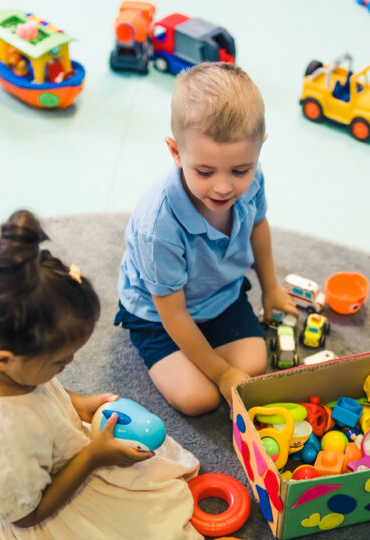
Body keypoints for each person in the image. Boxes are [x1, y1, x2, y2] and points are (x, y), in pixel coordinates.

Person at [0, 210, 202, 540]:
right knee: (154, 531)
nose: (67, 366)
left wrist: (77, 402)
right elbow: (26, 514)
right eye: (58, 362)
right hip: (46, 509)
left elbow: (40, 392)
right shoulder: (3, 436)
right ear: (4, 359)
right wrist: (93, 458)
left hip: (62, 453)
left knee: (159, 479)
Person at [115, 62, 296, 416]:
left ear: (260, 147)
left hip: (218, 294)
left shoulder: (255, 178)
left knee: (255, 366)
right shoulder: (159, 228)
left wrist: (271, 288)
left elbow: (258, 226)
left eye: (240, 170)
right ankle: (179, 355)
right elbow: (174, 315)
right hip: (160, 314)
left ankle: (208, 356)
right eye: (204, 171)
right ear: (176, 152)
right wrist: (222, 371)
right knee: (200, 399)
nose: (224, 186)